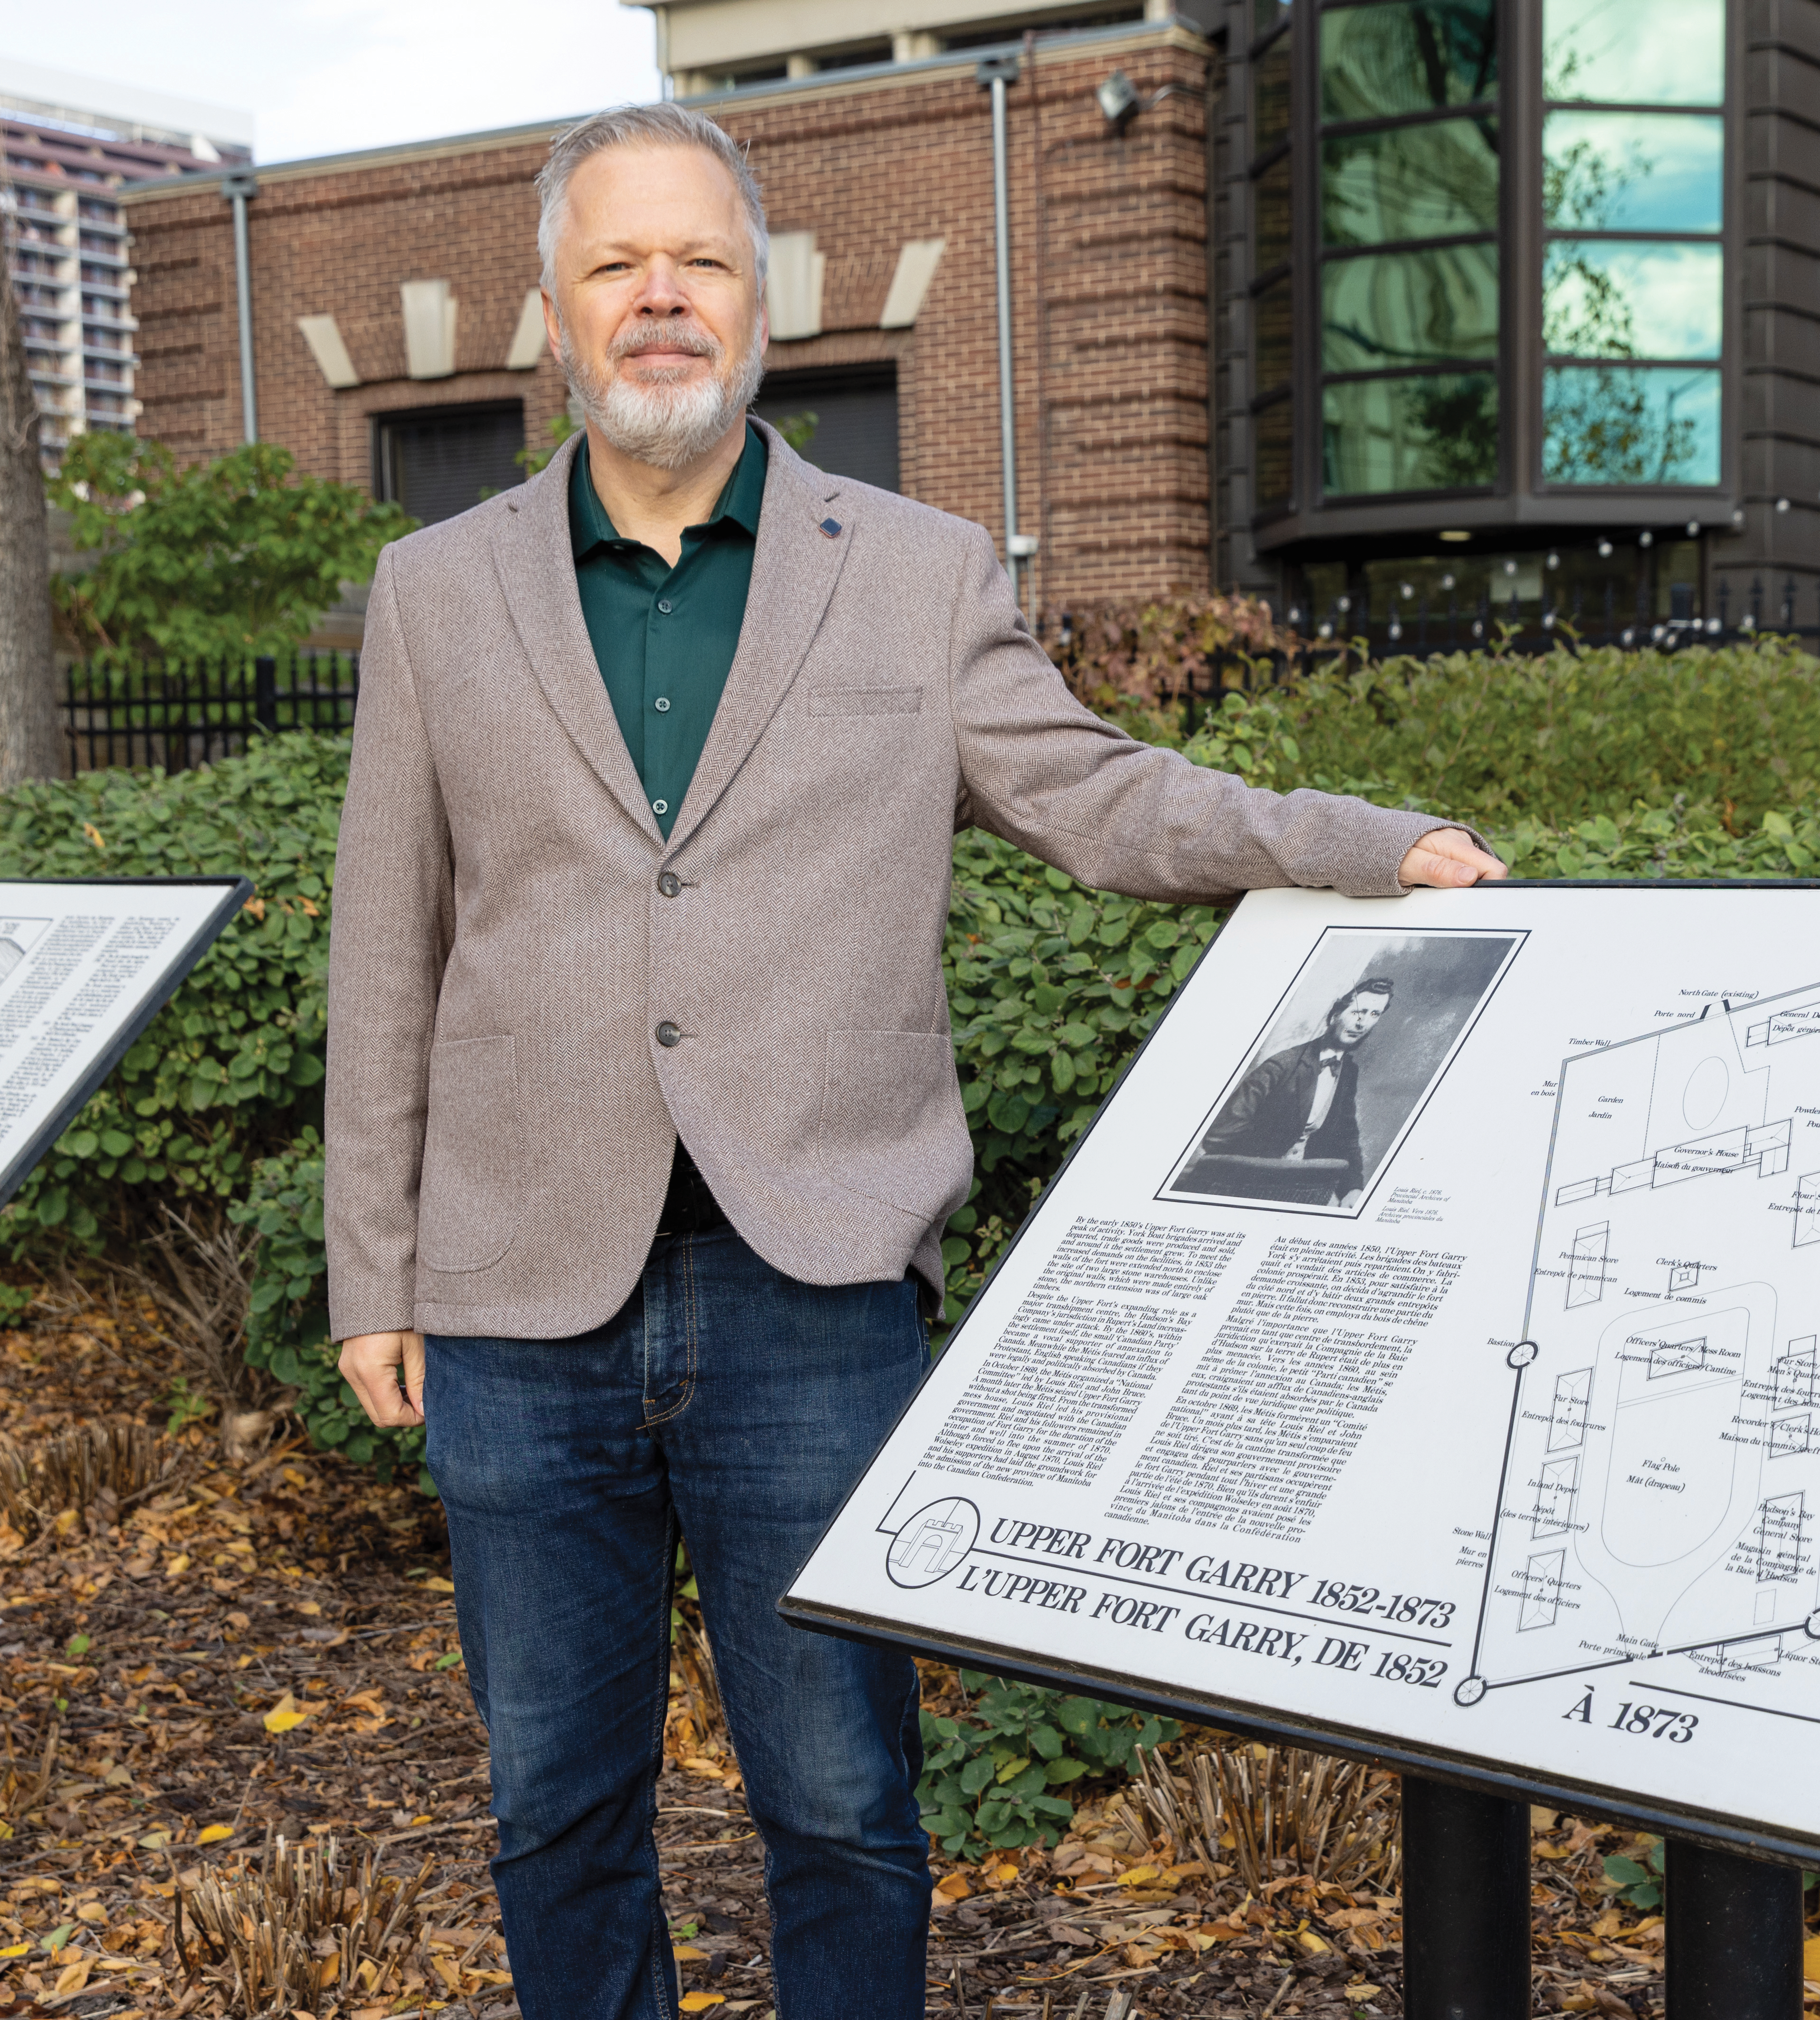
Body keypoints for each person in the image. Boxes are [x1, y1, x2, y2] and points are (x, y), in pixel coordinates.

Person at [323, 102, 1503, 2020]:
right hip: (516, 1297)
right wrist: (371, 1264)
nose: (658, 300)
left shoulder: (914, 571)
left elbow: (1096, 795)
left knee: (847, 1804)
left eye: (697, 260)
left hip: (816, 1286)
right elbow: (386, 948)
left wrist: (1350, 840)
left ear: (762, 300)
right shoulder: (437, 593)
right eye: (616, 263)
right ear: (552, 309)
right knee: (552, 1805)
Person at [1183, 976, 1392, 1205]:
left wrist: (1353, 1187)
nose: (1363, 1023)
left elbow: (1346, 1135)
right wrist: (1267, 1172)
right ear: (1336, 1014)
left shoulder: (1348, 1071)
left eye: (1375, 1014)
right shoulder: (1283, 1065)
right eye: (1357, 1012)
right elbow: (1219, 1135)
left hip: (1304, 1182)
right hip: (1250, 1182)